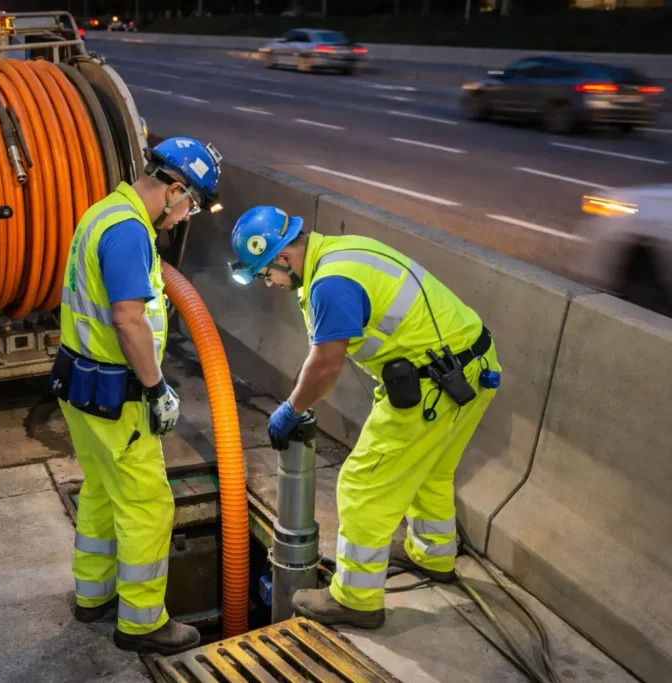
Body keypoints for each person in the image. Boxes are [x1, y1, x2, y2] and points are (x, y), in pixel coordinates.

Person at [229, 206, 501, 629]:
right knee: (430, 470)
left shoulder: (330, 285)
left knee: (363, 484)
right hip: (474, 366)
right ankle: (434, 555)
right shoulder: (340, 252)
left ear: (283, 257)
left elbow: (324, 366)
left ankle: (356, 599)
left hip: (436, 383)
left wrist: (292, 408)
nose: (271, 284)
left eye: (266, 274)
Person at [51, 137, 222, 654]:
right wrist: (156, 388)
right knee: (148, 504)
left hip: (80, 386)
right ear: (174, 189)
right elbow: (128, 320)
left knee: (102, 493)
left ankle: (93, 595)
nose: (185, 217)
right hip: (116, 396)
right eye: (190, 204)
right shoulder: (129, 233)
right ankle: (144, 622)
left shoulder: (104, 212)